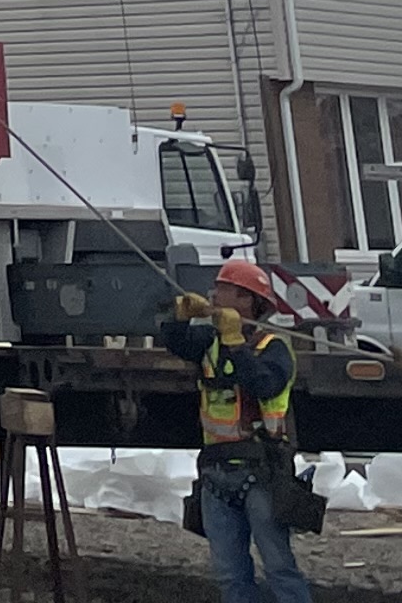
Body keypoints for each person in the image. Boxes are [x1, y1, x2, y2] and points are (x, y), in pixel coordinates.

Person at [159, 257, 314, 603]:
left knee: (278, 567)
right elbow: (175, 341)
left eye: (225, 290)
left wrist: (236, 344)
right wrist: (181, 318)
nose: (215, 294)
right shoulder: (209, 341)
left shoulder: (274, 348)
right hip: (216, 471)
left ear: (247, 301)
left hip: (261, 470)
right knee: (230, 575)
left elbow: (264, 385)